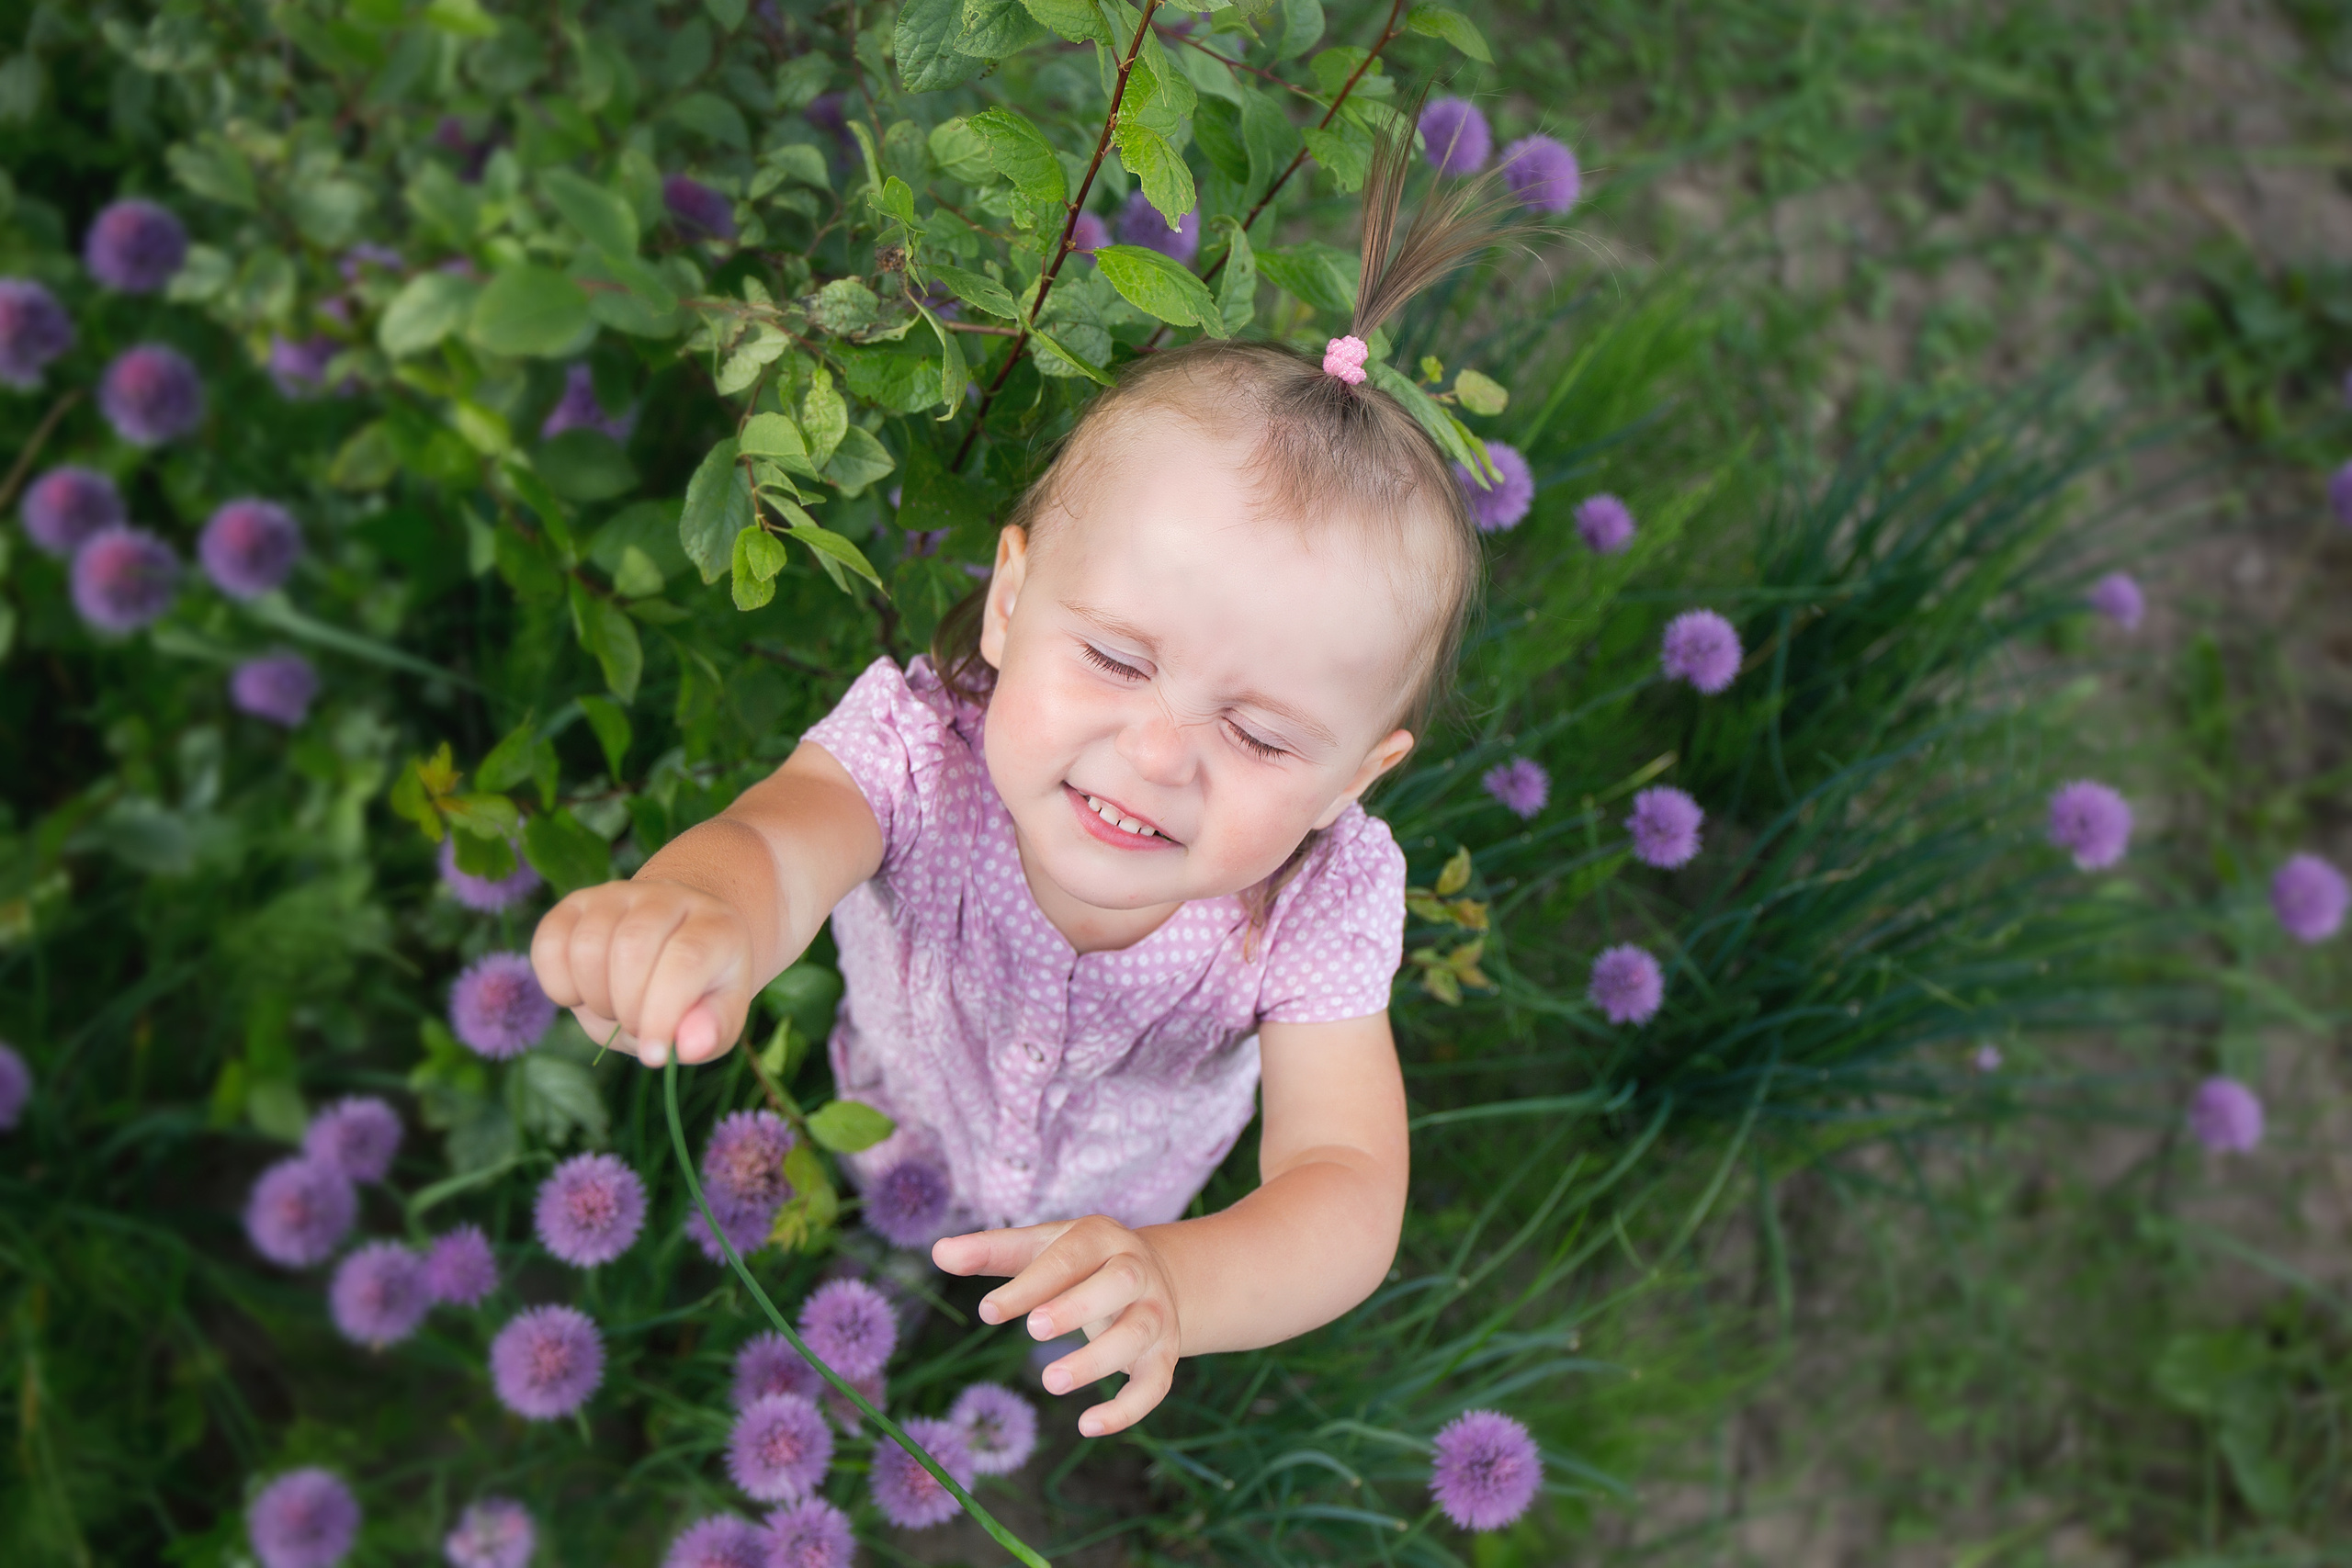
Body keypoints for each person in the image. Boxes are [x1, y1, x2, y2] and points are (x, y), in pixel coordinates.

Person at [532, 121, 1513, 1438]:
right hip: (901, 1117)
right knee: (888, 1222)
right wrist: (697, 909)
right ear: (1009, 602)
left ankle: (1055, 1300)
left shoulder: (1318, 903)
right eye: (1115, 659)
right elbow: (776, 844)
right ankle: (897, 1256)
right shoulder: (918, 754)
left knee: (1068, 1293)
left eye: (1262, 737)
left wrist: (1177, 1281)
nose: (1156, 755)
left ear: (1358, 776)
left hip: (1127, 1206)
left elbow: (1343, 1181)